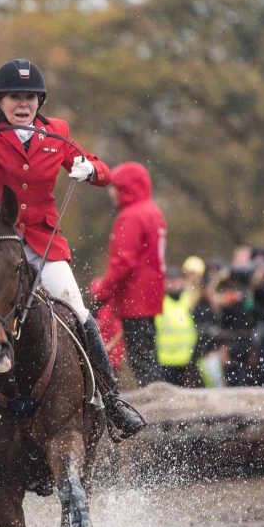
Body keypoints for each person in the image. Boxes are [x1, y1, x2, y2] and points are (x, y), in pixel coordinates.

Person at [0, 58, 145, 462]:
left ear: (40, 101)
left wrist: (92, 170)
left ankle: (113, 401)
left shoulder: (58, 134)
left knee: (79, 312)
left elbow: (103, 172)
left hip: (41, 242)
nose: (23, 103)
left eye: (30, 97)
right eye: (15, 97)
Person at [89, 161, 166, 386]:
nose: (112, 192)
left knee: (141, 360)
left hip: (135, 300)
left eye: (116, 187)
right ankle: (162, 404)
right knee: (148, 356)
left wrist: (102, 292)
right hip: (150, 299)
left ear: (127, 187)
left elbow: (122, 262)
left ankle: (158, 413)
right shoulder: (153, 212)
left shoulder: (131, 217)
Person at [156, 267, 199, 386]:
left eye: (176, 279)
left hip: (186, 361)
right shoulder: (159, 301)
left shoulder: (188, 299)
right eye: (170, 280)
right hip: (164, 362)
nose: (173, 283)